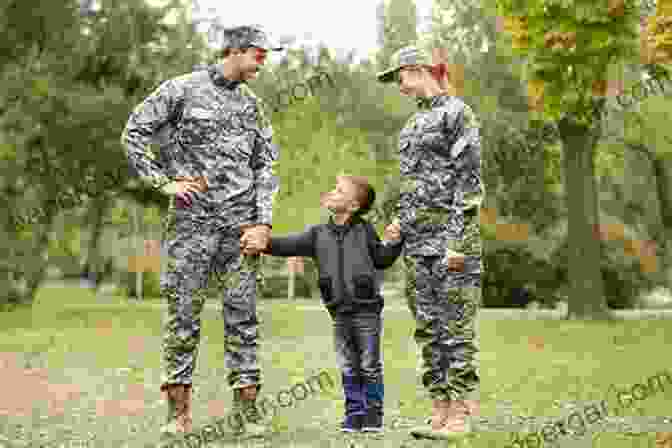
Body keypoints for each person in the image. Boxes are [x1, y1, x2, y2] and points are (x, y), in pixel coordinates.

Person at [120, 25, 284, 440]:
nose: (263, 64)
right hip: (191, 228)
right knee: (182, 320)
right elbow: (134, 133)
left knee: (243, 318)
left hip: (240, 231)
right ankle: (178, 414)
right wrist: (162, 183)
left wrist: (263, 222)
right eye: (259, 56)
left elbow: (266, 166)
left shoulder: (253, 107)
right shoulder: (181, 90)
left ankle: (247, 413)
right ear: (237, 50)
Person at [376, 45, 484, 440]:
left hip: (452, 244)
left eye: (400, 77)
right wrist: (400, 223)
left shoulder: (458, 114)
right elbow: (415, 187)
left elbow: (468, 185)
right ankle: (439, 407)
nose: (400, 86)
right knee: (429, 330)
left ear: (418, 70)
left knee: (456, 330)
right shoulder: (411, 127)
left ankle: (460, 413)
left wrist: (457, 242)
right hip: (417, 245)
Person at [241, 175, 403, 433]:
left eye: (338, 190)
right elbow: (287, 244)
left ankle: (373, 416)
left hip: (367, 312)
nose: (331, 192)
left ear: (353, 206)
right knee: (348, 365)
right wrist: (263, 242)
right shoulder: (317, 234)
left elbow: (382, 259)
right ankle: (355, 414)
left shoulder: (365, 231)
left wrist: (394, 242)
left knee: (369, 364)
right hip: (339, 314)